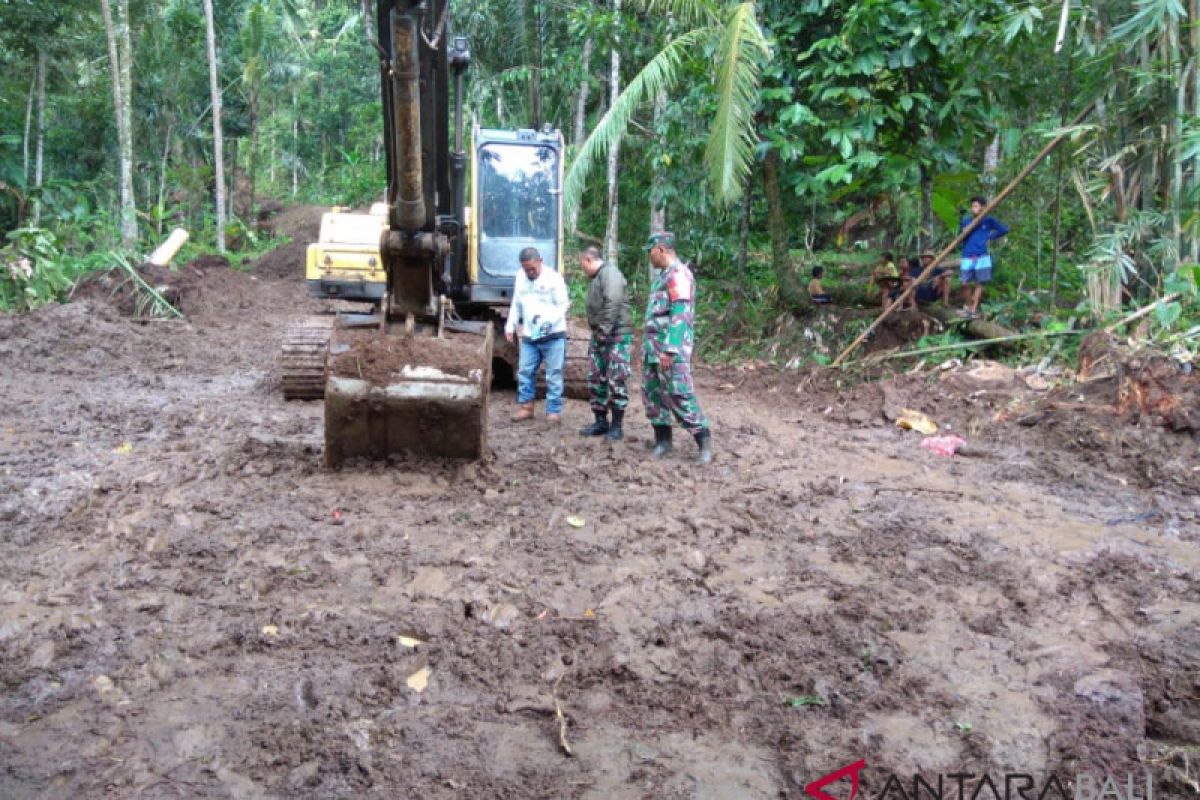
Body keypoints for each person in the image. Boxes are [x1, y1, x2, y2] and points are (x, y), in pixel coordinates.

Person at [642, 231, 713, 465]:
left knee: (680, 394)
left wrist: (671, 349)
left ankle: (704, 443)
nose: (649, 256)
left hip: (670, 351)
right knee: (653, 396)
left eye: (650, 251)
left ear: (661, 249)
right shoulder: (662, 276)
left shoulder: (679, 275)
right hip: (653, 350)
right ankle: (663, 441)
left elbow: (681, 315)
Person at [505, 247, 569, 422]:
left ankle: (553, 411)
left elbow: (563, 305)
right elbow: (516, 303)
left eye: (532, 268)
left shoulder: (554, 278)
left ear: (540, 261)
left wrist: (549, 323)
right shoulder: (520, 277)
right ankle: (526, 407)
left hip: (553, 334)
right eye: (526, 269)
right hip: (529, 335)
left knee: (554, 373)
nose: (529, 272)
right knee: (525, 370)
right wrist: (510, 325)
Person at [578, 245, 633, 440]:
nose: (582, 269)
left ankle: (617, 426)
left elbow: (613, 301)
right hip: (600, 335)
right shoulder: (598, 278)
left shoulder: (610, 274)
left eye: (582, 264)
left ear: (588, 260)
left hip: (615, 335)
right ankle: (600, 421)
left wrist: (605, 330)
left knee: (616, 379)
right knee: (595, 378)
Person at [959, 197, 1008, 317]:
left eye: (976, 206)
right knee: (964, 283)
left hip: (982, 256)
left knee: (979, 283)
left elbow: (1004, 229)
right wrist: (964, 231)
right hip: (967, 254)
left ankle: (973, 310)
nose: (973, 208)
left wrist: (990, 236)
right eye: (973, 206)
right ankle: (968, 306)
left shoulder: (988, 220)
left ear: (983, 208)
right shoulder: (966, 220)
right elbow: (960, 237)